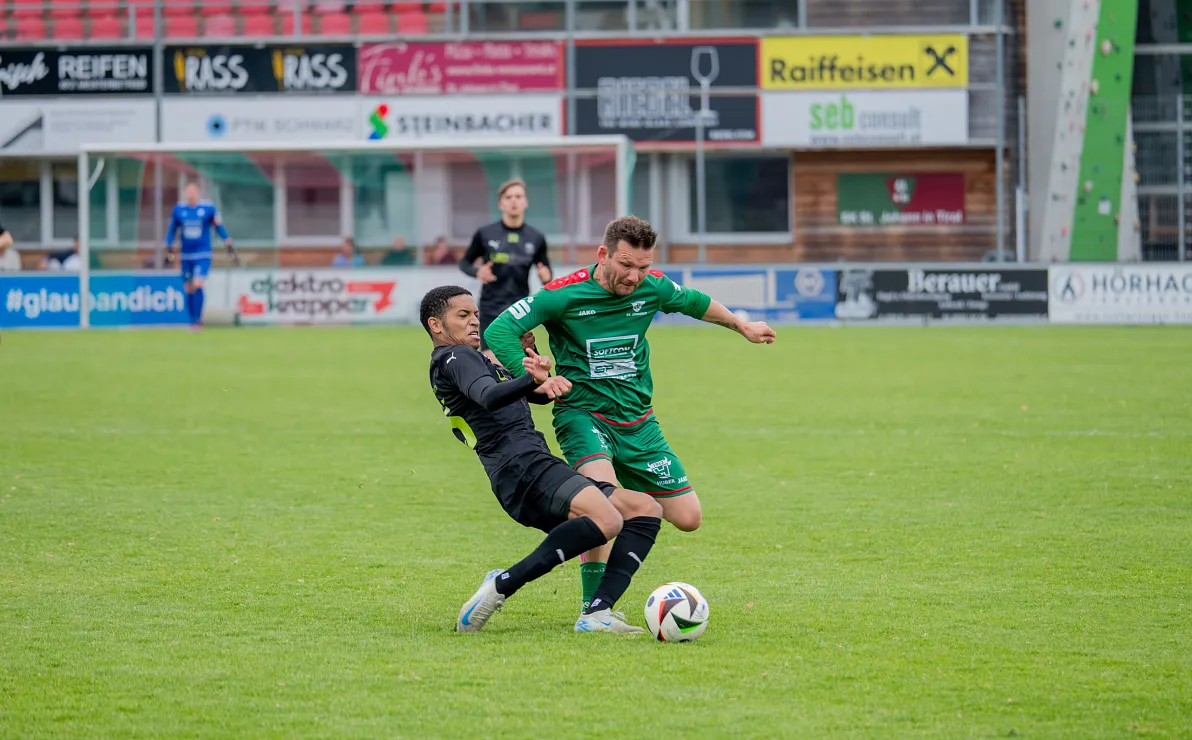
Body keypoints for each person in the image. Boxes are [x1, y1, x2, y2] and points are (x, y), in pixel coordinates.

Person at [485, 216, 776, 612]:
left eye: (643, 266)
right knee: (603, 507)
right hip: (584, 415)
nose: (635, 276)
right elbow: (499, 330)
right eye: (626, 265)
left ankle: (588, 574)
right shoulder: (562, 295)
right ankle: (594, 609)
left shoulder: (651, 287)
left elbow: (693, 301)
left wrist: (741, 326)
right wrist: (531, 378)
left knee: (689, 516)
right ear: (603, 254)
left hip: (639, 422)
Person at [422, 285, 664, 634]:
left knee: (644, 508)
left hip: (531, 465)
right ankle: (503, 585)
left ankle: (597, 612)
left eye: (475, 313)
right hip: (520, 467)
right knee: (608, 520)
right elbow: (489, 396)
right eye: (463, 315)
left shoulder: (469, 360)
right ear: (436, 325)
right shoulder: (455, 357)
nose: (475, 321)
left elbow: (522, 396)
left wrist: (538, 378)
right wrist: (527, 379)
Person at [458, 179, 552, 361]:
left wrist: (546, 277)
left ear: (525, 202)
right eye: (509, 197)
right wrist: (478, 272)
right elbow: (464, 263)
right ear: (501, 204)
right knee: (493, 362)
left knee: (521, 362)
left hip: (521, 309)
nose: (514, 201)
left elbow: (546, 272)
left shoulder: (536, 238)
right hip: (490, 307)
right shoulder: (485, 234)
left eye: (518, 196)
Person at [165, 182, 236, 330]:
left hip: (203, 253)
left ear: (198, 193)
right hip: (186, 255)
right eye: (188, 192)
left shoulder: (208, 209)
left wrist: (227, 241)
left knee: (198, 283)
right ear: (185, 193)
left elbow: (218, 226)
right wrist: (169, 246)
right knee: (188, 288)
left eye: (193, 192)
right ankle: (193, 320)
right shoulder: (179, 210)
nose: (191, 195)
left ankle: (198, 320)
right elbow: (172, 229)